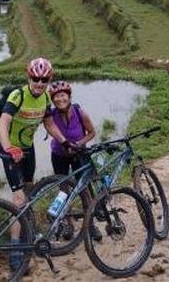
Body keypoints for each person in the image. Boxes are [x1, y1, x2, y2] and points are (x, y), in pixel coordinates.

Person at [0, 57, 71, 269]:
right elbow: (3, 123)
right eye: (35, 78)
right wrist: (9, 148)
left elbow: (49, 124)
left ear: (49, 80)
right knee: (19, 199)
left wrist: (65, 141)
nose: (39, 83)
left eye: (44, 80)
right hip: (11, 152)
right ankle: (15, 248)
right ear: (28, 77)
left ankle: (26, 232)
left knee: (28, 193)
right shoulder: (18, 96)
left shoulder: (46, 98)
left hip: (28, 152)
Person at [47, 80, 102, 240]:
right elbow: (48, 126)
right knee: (64, 191)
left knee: (84, 190)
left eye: (63, 95)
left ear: (69, 97)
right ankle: (69, 224)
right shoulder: (51, 115)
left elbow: (92, 132)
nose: (60, 99)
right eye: (56, 97)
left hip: (79, 154)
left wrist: (78, 144)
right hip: (59, 155)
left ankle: (90, 225)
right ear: (52, 100)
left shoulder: (79, 113)